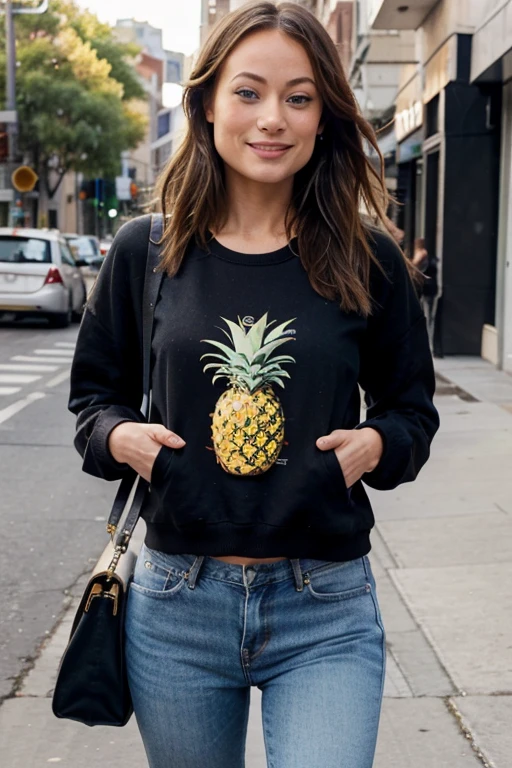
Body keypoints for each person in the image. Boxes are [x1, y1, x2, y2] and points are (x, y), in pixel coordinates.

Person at [69, 3, 439, 767]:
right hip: (176, 606)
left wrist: (373, 445)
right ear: (206, 104)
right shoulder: (147, 251)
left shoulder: (365, 256)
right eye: (249, 93)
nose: (273, 119)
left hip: (325, 606)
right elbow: (91, 402)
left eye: (299, 98)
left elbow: (412, 413)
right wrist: (119, 437)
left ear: (323, 117)